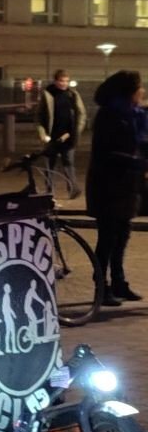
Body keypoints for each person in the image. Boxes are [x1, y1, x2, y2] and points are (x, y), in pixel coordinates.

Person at [85, 70, 146, 307]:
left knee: (122, 236)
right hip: (108, 186)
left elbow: (139, 143)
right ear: (128, 91)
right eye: (139, 88)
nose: (142, 92)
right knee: (107, 239)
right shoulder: (109, 115)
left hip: (127, 186)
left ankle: (119, 282)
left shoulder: (134, 115)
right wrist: (138, 162)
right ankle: (102, 286)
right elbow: (106, 154)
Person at [36, 69, 87, 199]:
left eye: (66, 81)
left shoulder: (72, 95)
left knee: (68, 163)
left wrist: (77, 130)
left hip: (69, 136)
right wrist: (43, 134)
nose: (64, 83)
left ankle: (73, 189)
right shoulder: (48, 95)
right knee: (50, 164)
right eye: (61, 81)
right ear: (55, 81)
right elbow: (39, 116)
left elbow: (81, 114)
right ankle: (49, 192)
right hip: (52, 136)